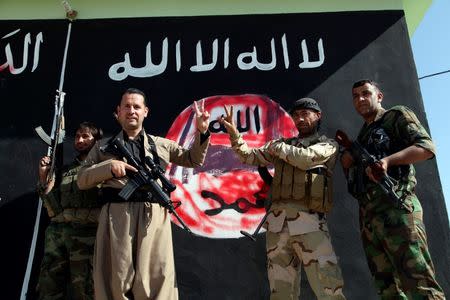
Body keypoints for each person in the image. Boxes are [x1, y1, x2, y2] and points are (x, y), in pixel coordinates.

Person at [77, 88, 210, 300]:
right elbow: (82, 180)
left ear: (145, 112)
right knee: (118, 279)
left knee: (156, 278)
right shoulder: (102, 148)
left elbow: (193, 159)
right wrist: (109, 167)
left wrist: (202, 132)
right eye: (127, 107)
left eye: (137, 106)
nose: (132, 111)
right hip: (117, 217)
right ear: (118, 112)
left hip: (153, 217)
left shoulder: (160, 144)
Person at [219, 98, 346, 300]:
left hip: (310, 224)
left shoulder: (327, 144)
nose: (300, 119)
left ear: (318, 116)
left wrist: (277, 148)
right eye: (296, 115)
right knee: (281, 293)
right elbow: (248, 156)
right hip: (278, 227)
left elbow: (306, 158)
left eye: (306, 114)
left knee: (328, 289)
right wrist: (234, 132)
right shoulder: (283, 145)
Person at [340, 79, 445, 299]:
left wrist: (388, 161)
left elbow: (426, 148)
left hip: (397, 209)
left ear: (379, 96)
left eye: (365, 93)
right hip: (370, 219)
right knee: (388, 290)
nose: (360, 99)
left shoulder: (395, 116)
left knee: (419, 282)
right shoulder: (362, 136)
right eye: (355, 96)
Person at [36, 121, 103, 300]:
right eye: (78, 136)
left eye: (86, 136)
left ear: (97, 141)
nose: (80, 140)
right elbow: (52, 206)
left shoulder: (103, 169)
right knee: (48, 287)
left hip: (87, 237)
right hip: (57, 236)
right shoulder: (65, 171)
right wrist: (44, 178)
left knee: (86, 289)